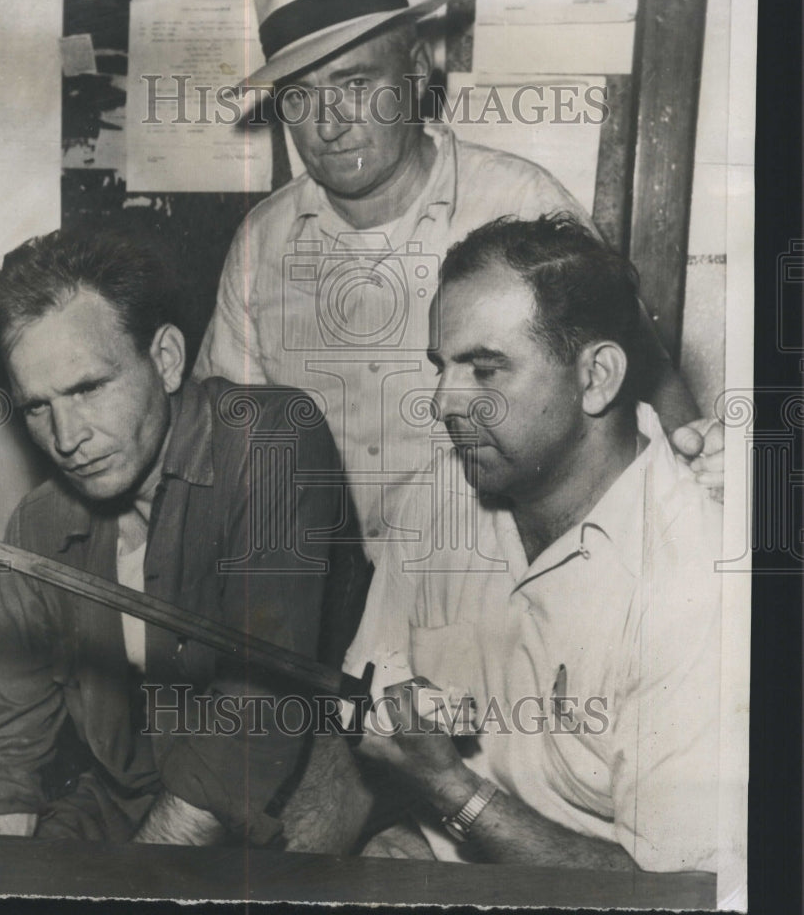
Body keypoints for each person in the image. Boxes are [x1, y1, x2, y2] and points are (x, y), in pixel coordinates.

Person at [194, 0, 723, 555]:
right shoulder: (261, 242)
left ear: (416, 71)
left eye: (355, 84)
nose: (327, 125)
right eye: (298, 98)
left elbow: (651, 386)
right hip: (322, 609)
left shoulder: (521, 201)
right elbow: (224, 435)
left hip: (502, 599)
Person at [300, 214, 722, 872]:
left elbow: (678, 898)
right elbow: (363, 718)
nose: (441, 401)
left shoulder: (698, 581)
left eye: (484, 369)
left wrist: (451, 789)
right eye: (441, 367)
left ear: (596, 378)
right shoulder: (441, 494)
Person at [0, 229, 362, 845]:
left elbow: (253, 710)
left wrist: (140, 876)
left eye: (87, 389)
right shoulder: (37, 526)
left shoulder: (271, 442)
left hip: (288, 784)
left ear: (166, 359)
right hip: (131, 795)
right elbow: (7, 742)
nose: (66, 436)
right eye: (36, 407)